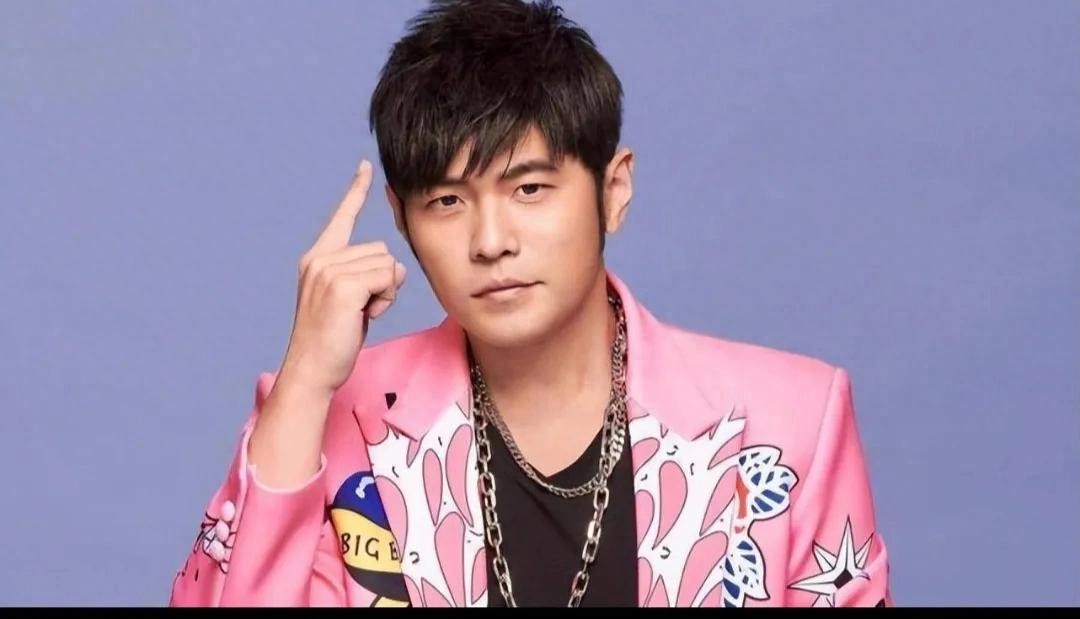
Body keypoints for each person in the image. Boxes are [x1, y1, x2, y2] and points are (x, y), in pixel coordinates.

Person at [168, 0, 892, 608]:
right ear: (401, 217)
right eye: (447, 201)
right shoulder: (334, 425)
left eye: (530, 189)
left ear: (614, 190)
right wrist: (301, 382)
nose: (491, 241)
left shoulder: (792, 422)